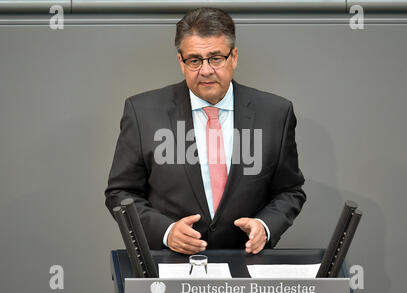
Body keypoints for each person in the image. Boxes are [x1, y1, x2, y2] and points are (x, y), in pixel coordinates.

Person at [105, 7, 306, 255]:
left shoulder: (276, 113)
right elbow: (120, 193)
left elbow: (290, 191)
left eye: (216, 58)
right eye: (195, 60)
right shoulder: (142, 112)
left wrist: (265, 226)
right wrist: (166, 233)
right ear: (181, 61)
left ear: (233, 57)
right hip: (171, 265)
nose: (206, 70)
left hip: (246, 266)